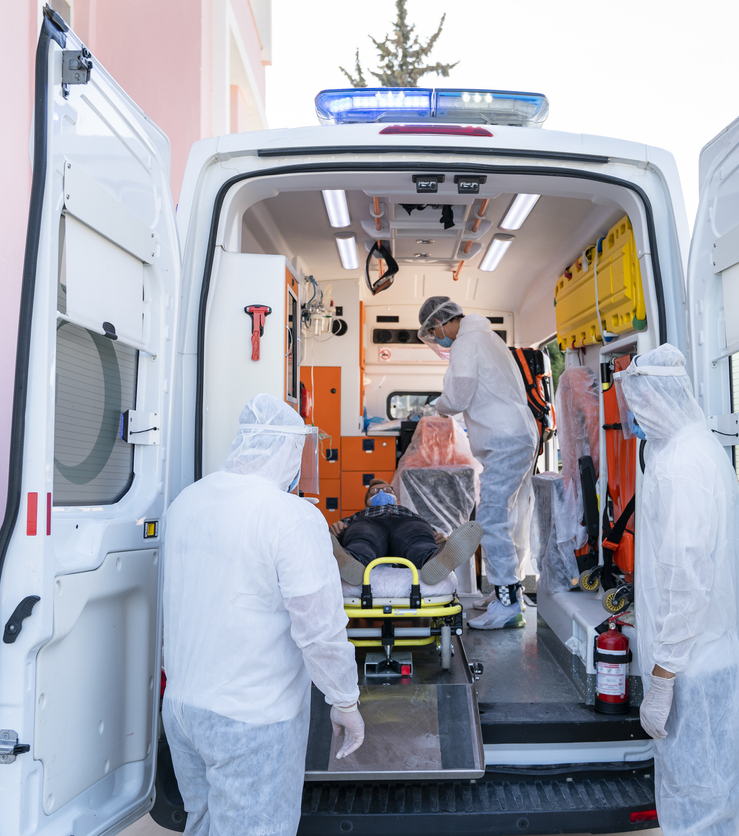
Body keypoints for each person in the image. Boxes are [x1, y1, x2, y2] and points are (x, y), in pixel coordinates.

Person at [161, 394, 365, 836]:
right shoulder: (290, 516)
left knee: (202, 825)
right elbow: (319, 628)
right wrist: (344, 700)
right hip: (251, 718)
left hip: (182, 709)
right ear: (287, 448)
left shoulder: (186, 502)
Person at [615, 344, 739, 835]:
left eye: (636, 407)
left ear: (653, 400)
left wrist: (664, 675)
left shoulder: (681, 464)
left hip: (691, 662)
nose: (633, 419)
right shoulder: (695, 447)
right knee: (711, 789)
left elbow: (687, 578)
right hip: (706, 651)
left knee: (697, 795)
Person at [418, 297, 538, 629]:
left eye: (433, 331)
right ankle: (507, 591)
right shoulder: (488, 337)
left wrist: (439, 406)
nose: (437, 338)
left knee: (492, 518)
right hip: (518, 434)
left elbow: (457, 397)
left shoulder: (465, 343)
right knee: (509, 516)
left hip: (504, 438)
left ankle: (507, 602)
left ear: (440, 322)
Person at [329, 479, 483, 586]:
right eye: (374, 492)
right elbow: (342, 531)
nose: (381, 493)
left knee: (419, 540)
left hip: (405, 522)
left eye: (387, 490)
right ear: (366, 503)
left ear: (398, 500)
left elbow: (427, 530)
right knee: (362, 540)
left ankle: (435, 559)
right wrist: (336, 530)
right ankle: (352, 563)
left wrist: (437, 538)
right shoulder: (358, 516)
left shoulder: (409, 513)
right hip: (369, 522)